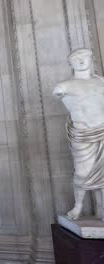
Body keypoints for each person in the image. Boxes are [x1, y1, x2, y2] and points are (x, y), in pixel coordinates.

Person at [53, 48, 104, 221]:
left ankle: (101, 208)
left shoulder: (101, 82)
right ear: (70, 63)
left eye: (86, 57)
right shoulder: (64, 86)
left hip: (102, 132)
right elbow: (58, 94)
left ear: (92, 59)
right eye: (77, 58)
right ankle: (78, 206)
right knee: (82, 172)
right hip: (82, 135)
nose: (82, 60)